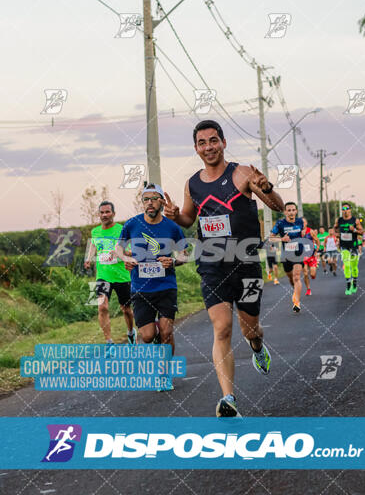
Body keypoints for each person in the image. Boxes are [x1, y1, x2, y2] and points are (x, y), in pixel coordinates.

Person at [163, 120, 284, 417]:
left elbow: (277, 206)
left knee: (251, 330)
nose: (209, 147)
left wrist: (267, 188)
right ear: (196, 148)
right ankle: (228, 399)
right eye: (202, 143)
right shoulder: (192, 183)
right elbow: (189, 220)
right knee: (222, 328)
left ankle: (257, 348)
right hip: (212, 265)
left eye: (213, 140)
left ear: (223, 142)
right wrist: (176, 215)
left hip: (246, 264)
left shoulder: (241, 173)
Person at [116, 184, 188, 369]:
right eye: (146, 199)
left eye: (154, 199)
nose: (150, 203)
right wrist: (125, 258)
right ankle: (156, 337)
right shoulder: (132, 224)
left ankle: (164, 372)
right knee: (147, 336)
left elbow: (184, 254)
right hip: (141, 288)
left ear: (162, 202)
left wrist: (173, 261)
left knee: (167, 332)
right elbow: (118, 248)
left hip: (166, 286)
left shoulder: (172, 227)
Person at [84, 201, 136, 351]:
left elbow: (132, 251)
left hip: (122, 276)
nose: (104, 215)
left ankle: (131, 332)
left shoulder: (122, 230)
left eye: (107, 212)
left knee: (126, 309)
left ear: (113, 213)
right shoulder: (95, 232)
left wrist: (120, 252)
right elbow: (94, 245)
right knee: (101, 306)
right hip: (102, 275)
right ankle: (109, 342)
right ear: (99, 214)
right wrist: (88, 258)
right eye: (102, 212)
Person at [270, 202, 310, 312]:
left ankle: (296, 302)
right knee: (291, 277)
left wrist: (303, 235)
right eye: (289, 210)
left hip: (298, 253)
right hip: (286, 254)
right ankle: (295, 290)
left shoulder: (300, 222)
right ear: (285, 212)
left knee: (297, 276)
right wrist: (281, 239)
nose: (291, 212)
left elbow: (303, 232)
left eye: (293, 210)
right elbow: (271, 238)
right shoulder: (280, 224)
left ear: (296, 211)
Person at [334, 203, 363, 295]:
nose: (345, 210)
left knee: (354, 266)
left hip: (353, 245)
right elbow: (335, 229)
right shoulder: (339, 220)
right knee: (346, 265)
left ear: (350, 210)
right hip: (344, 246)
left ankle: (354, 283)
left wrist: (354, 230)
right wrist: (336, 234)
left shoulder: (355, 220)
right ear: (342, 210)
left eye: (347, 208)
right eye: (343, 208)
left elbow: (362, 232)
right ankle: (348, 285)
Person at [302, 218, 320, 296]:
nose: (302, 223)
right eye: (301, 222)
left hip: (311, 255)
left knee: (312, 274)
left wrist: (316, 250)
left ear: (306, 223)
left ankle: (313, 272)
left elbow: (317, 241)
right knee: (305, 273)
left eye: (304, 222)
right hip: (302, 256)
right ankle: (308, 289)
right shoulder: (297, 232)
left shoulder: (310, 231)